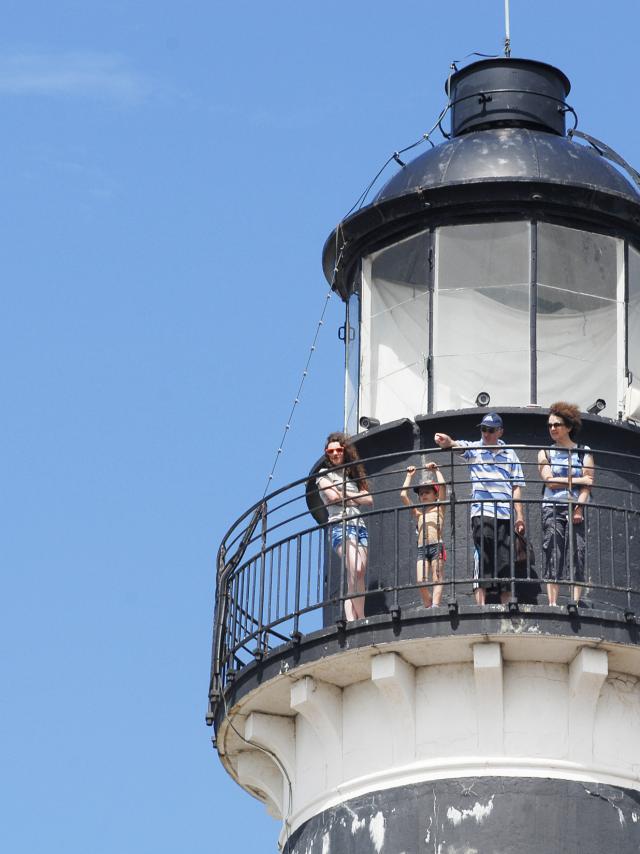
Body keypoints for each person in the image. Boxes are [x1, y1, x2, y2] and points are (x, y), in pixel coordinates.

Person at [434, 413, 525, 605]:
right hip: (481, 513)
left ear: (500, 431)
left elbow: (516, 486)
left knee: (505, 560)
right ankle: (481, 606)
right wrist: (447, 441)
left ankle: (506, 605)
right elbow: (457, 446)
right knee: (482, 556)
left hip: (505, 515)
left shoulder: (510, 454)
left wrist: (519, 516)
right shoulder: (475, 449)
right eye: (483, 429)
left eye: (490, 430)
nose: (486, 433)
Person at [538, 402, 594, 606]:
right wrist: (578, 480)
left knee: (577, 553)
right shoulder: (545, 452)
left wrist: (579, 508)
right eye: (550, 425)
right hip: (551, 507)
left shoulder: (583, 451)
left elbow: (589, 486)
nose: (552, 428)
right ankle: (553, 602)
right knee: (553, 549)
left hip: (576, 507)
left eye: (557, 424)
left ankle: (574, 601)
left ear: (569, 427)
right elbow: (550, 481)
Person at [316, 432, 373, 621]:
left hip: (360, 527)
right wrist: (355, 498)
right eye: (330, 451)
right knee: (355, 569)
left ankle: (351, 618)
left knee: (358, 574)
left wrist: (342, 493)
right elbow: (332, 498)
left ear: (345, 450)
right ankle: (361, 616)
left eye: (338, 449)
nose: (334, 454)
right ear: (326, 453)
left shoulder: (354, 476)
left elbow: (369, 499)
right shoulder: (323, 475)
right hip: (339, 525)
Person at [400, 462, 447, 608]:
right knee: (420, 581)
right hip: (422, 548)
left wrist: (436, 470)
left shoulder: (440, 508)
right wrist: (409, 476)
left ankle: (435, 605)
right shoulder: (418, 513)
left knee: (437, 577)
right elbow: (403, 494)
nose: (423, 495)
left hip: (436, 546)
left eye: (427, 492)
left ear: (435, 495)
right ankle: (428, 603)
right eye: (421, 494)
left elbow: (443, 486)